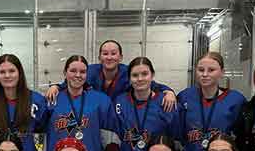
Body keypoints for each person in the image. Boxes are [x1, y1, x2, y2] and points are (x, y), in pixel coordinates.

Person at [45, 40, 177, 110]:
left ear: (120, 57)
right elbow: (72, 81)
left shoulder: (129, 72)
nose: (109, 57)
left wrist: (169, 92)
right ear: (99, 57)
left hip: (122, 116)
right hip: (94, 116)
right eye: (105, 54)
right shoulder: (89, 71)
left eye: (113, 53)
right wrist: (56, 87)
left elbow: (151, 85)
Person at [44, 55, 118, 151]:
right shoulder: (52, 99)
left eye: (82, 72)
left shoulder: (101, 101)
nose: (78, 75)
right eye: (73, 71)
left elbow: (111, 139)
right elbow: (42, 135)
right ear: (65, 72)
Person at [177, 52, 246, 151]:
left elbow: (241, 136)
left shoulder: (236, 100)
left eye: (211, 70)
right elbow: (179, 133)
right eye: (200, 70)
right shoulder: (185, 96)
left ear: (222, 72)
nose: (205, 74)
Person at [112, 57, 178, 151]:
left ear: (152, 75)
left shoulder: (166, 102)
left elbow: (176, 138)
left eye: (144, 74)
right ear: (129, 78)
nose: (140, 79)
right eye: (135, 75)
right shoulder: (120, 102)